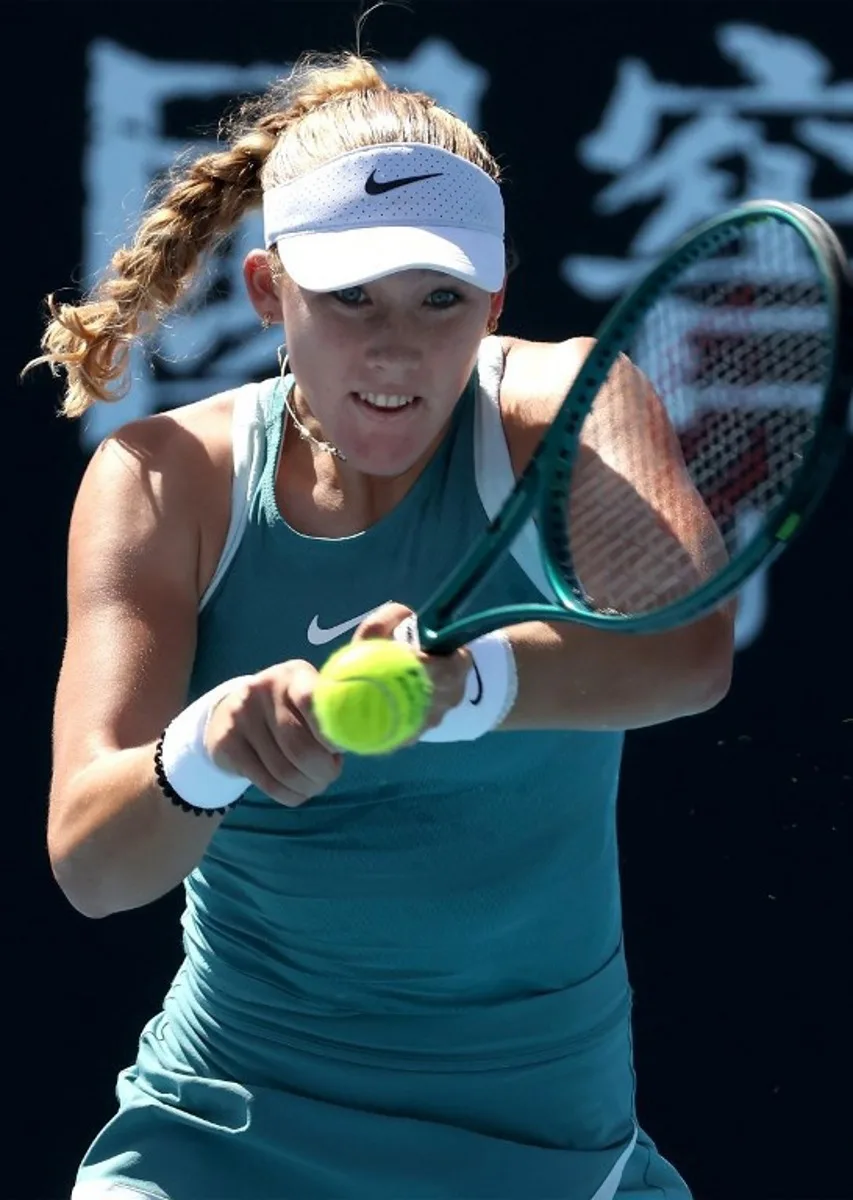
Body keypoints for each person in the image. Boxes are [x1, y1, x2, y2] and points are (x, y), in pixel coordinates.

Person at [33, 49, 734, 1200]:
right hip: (218, 1139)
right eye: (348, 297)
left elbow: (687, 654)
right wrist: (209, 748)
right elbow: (96, 868)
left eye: (439, 299)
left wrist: (462, 686)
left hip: (547, 1157)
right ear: (269, 291)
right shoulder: (163, 482)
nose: (395, 347)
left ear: (495, 301)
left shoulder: (565, 411)